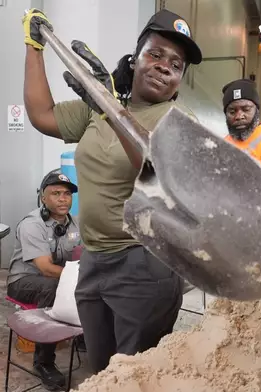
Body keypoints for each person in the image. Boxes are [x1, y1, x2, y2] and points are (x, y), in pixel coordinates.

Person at [22, 8, 202, 374]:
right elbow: (42, 114)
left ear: (179, 80)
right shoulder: (98, 106)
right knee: (101, 372)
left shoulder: (179, 121)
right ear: (136, 58)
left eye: (176, 64)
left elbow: (159, 172)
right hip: (93, 260)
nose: (165, 65)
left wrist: (110, 111)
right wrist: (33, 47)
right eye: (155, 53)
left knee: (134, 376)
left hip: (145, 265)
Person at [6, 172, 81, 390]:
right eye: (55, 193)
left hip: (58, 278)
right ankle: (44, 362)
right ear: (43, 198)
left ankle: (86, 336)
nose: (63, 198)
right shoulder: (32, 224)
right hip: (24, 281)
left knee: (99, 280)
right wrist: (80, 276)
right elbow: (47, 269)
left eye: (67, 193)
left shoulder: (75, 224)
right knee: (55, 287)